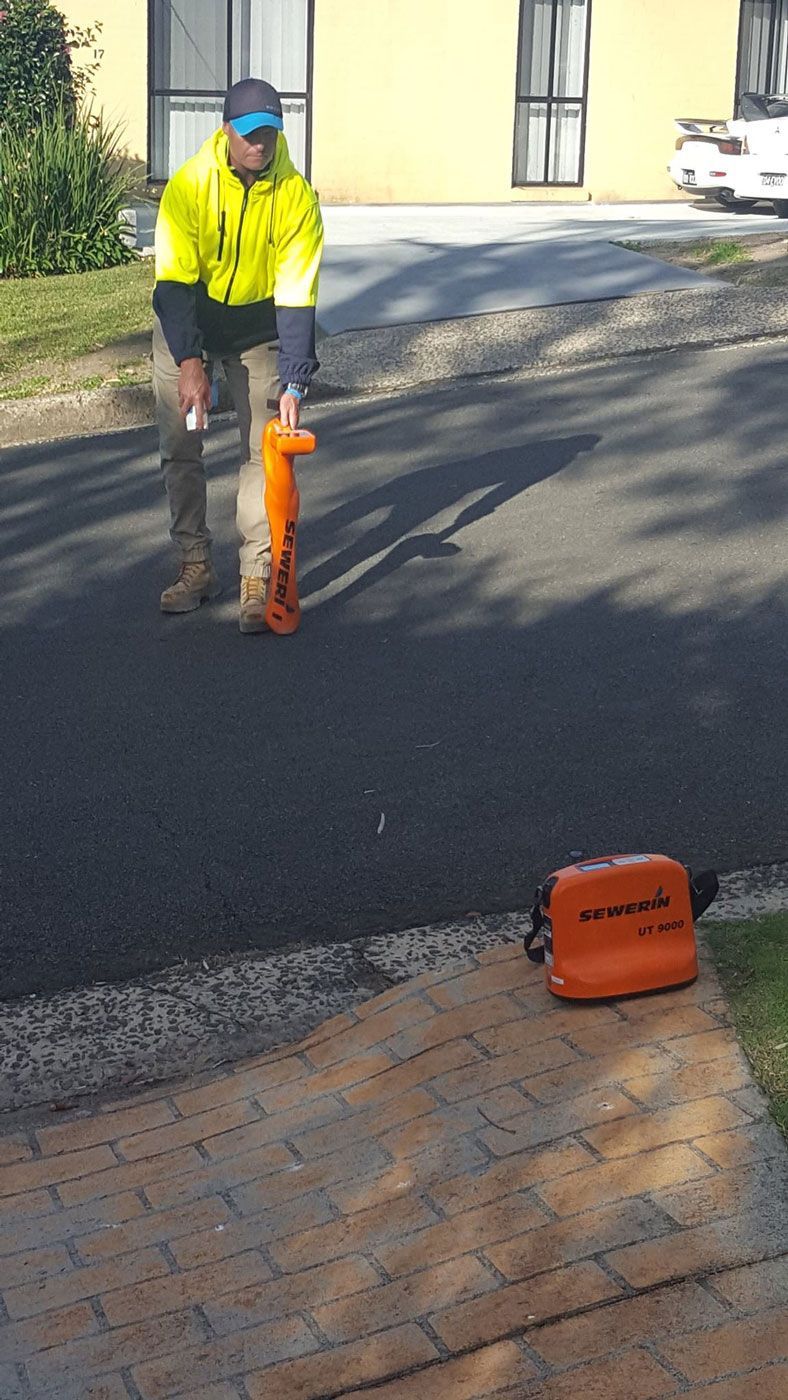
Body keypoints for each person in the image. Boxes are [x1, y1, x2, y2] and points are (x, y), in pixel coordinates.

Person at [152, 77, 323, 633]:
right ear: (226, 130)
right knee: (182, 447)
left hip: (257, 328)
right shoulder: (190, 185)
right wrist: (190, 363)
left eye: (270, 132)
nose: (260, 144)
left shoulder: (296, 196)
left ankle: (256, 575)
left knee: (261, 452)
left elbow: (297, 293)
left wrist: (295, 380)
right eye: (249, 133)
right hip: (190, 322)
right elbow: (173, 284)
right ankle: (196, 567)